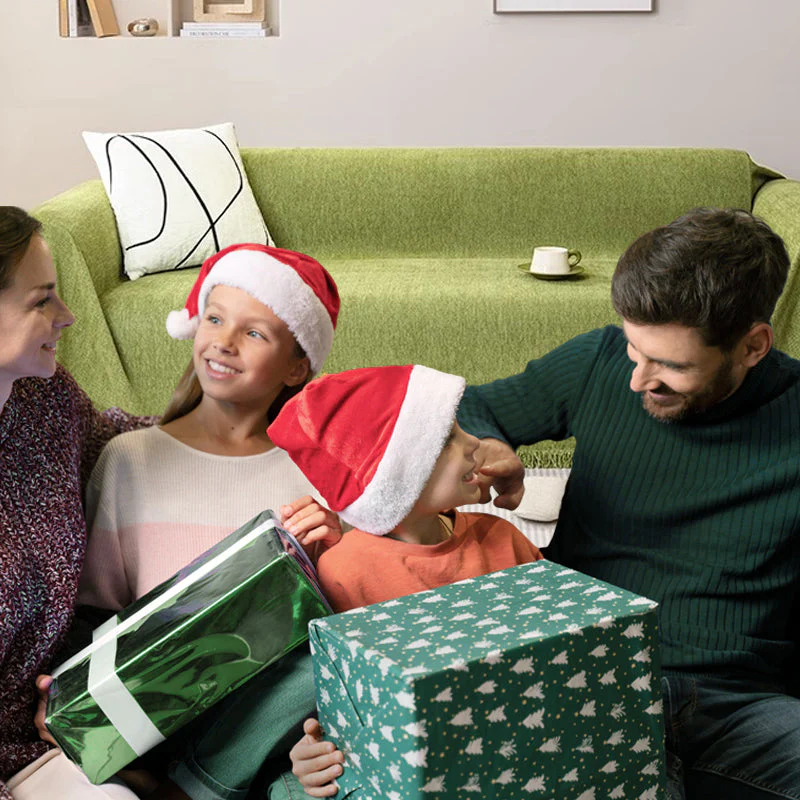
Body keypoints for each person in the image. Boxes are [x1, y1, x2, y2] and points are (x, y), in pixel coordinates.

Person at [454, 207, 800, 800]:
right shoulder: (600, 360)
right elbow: (463, 407)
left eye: (671, 364)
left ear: (752, 345)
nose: (639, 379)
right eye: (638, 350)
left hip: (737, 709)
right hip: (581, 680)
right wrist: (490, 446)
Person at [76, 243, 343, 800]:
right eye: (215, 318)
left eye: (254, 333)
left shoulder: (315, 475)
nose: (222, 340)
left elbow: (339, 627)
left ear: (297, 366)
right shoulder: (130, 459)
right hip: (159, 731)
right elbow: (95, 617)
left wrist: (336, 547)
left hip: (277, 736)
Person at [267, 363, 544, 795]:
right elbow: (344, 709)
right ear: (401, 476)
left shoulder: (503, 539)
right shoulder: (345, 572)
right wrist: (313, 754)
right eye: (448, 438)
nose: (474, 443)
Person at [0, 206, 153, 800]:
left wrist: (252, 430)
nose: (66, 318)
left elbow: (117, 436)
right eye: (42, 301)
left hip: (32, 739)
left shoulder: (44, 401)